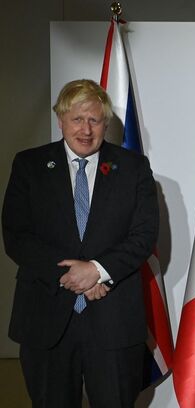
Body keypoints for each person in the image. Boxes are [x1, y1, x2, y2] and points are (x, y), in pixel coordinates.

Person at [2, 79, 159, 407]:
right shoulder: (29, 165)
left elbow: (144, 235)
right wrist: (73, 276)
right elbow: (17, 236)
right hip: (46, 321)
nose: (85, 129)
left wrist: (98, 271)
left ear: (105, 123)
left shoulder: (133, 168)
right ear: (60, 120)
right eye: (77, 119)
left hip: (113, 321)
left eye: (94, 120)